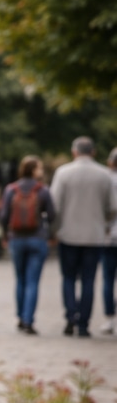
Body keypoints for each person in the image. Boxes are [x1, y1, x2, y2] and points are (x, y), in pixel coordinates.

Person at [50, 136, 117, 337]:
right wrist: (103, 222)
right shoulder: (104, 175)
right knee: (89, 280)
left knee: (69, 278)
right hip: (94, 236)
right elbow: (113, 207)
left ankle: (71, 316)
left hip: (68, 234)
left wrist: (55, 230)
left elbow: (55, 206)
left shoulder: (63, 173)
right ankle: (84, 324)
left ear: (74, 151)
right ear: (94, 152)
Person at [0, 155, 56, 335]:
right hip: (37, 239)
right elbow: (52, 215)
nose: (41, 170)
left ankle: (20, 317)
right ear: (33, 169)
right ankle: (28, 320)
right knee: (32, 282)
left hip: (16, 239)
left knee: (20, 280)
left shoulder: (11, 189)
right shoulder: (42, 190)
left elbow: (4, 215)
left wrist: (6, 236)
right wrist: (49, 233)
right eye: (39, 167)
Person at [99, 147, 117, 335]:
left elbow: (109, 208)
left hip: (108, 235)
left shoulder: (105, 177)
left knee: (108, 278)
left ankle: (109, 318)